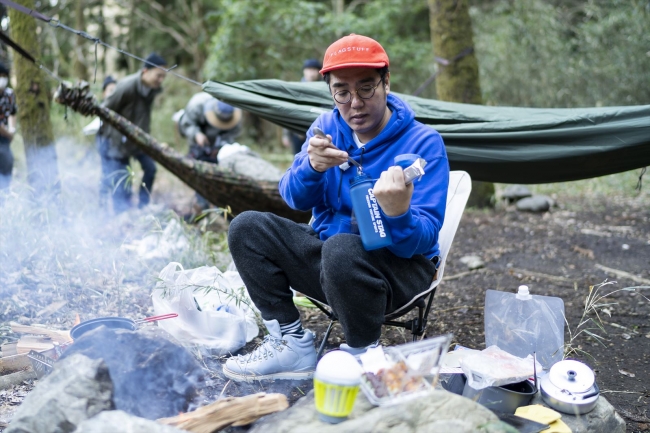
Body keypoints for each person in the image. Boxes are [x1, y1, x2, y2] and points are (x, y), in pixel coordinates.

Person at [224, 34, 449, 382]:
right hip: (333, 261)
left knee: (341, 249)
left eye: (366, 88)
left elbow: (421, 239)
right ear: (329, 89)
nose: (354, 103)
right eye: (342, 91)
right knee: (247, 227)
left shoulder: (423, 142)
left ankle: (364, 356)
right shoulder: (326, 129)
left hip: (399, 269)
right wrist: (311, 167)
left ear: (386, 82)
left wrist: (398, 214)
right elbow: (294, 199)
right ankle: (291, 343)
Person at [98, 53, 167, 213]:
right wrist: (115, 133)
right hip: (117, 141)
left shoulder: (152, 89)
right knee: (121, 180)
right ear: (145, 71)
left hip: (140, 140)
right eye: (158, 75)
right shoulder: (126, 86)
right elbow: (105, 109)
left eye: (163, 76)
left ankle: (142, 207)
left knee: (150, 168)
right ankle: (120, 216)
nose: (161, 80)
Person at [179, 93, 242, 164]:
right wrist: (196, 134)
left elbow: (231, 135)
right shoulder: (196, 105)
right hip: (198, 139)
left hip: (216, 145)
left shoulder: (235, 117)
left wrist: (220, 147)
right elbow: (186, 124)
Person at [281, 58, 323, 155]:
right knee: (298, 160)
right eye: (309, 70)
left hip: (317, 133)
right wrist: (286, 135)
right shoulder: (296, 88)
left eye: (314, 70)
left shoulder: (324, 88)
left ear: (318, 72)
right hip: (297, 133)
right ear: (304, 71)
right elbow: (289, 111)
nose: (311, 73)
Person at [0, 62, 17, 193]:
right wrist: (8, 133)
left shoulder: (9, 94)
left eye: (4, 76)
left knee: (7, 161)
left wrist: (12, 129)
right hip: (4, 135)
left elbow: (12, 112)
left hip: (5, 139)